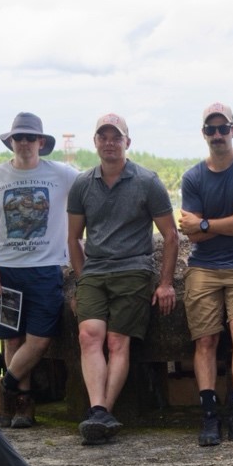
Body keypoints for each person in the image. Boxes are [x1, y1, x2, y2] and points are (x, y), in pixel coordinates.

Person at [68, 113, 179, 445]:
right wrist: (80, 278)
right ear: (95, 143)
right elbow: (74, 238)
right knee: (89, 334)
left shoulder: (147, 182)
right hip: (96, 270)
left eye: (116, 137)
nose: (109, 143)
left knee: (117, 341)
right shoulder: (83, 184)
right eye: (103, 137)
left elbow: (171, 235)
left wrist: (165, 282)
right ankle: (99, 412)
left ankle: (101, 411)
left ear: (127, 142)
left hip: (133, 269)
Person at [0, 112, 78, 429]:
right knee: (12, 340)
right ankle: (22, 404)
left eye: (29, 137)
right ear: (11, 141)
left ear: (41, 142)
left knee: (40, 339)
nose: (23, 143)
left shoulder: (63, 174)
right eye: (17, 137)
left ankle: (1, 387)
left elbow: (94, 191)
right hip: (4, 269)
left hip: (47, 268)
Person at [178, 103, 233, 446]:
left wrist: (205, 223)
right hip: (204, 266)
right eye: (210, 130)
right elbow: (192, 234)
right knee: (205, 339)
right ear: (204, 134)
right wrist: (231, 224)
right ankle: (209, 413)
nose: (217, 135)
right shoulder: (193, 177)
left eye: (222, 128)